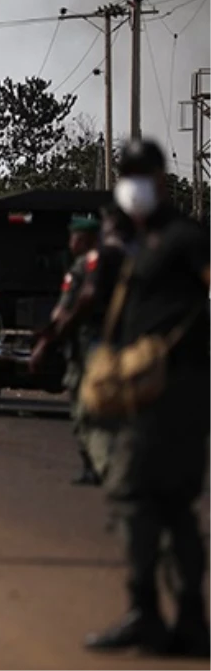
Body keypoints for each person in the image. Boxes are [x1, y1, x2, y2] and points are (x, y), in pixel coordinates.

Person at [76, 140, 211, 656]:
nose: (132, 183)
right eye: (124, 173)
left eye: (140, 173)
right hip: (148, 388)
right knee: (172, 505)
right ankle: (188, 620)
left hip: (175, 389)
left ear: (161, 178)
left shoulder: (184, 238)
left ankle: (148, 614)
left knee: (136, 497)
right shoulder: (142, 242)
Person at [31, 214, 104, 486]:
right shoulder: (120, 264)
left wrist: (46, 341)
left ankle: (94, 466)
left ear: (86, 240)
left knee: (85, 408)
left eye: (76, 237)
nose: (71, 242)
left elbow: (66, 308)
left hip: (86, 346)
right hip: (111, 348)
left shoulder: (83, 268)